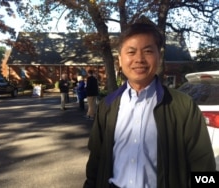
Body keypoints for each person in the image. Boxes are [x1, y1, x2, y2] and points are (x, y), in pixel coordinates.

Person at [83, 20, 216, 188]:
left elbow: (204, 166)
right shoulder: (107, 106)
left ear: (159, 57)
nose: (139, 59)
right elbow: (95, 160)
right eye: (131, 52)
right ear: (120, 60)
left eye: (147, 51)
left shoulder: (183, 106)